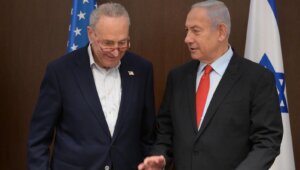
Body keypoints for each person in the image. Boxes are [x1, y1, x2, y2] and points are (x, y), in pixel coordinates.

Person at [138, 1, 283, 170]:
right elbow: (165, 133)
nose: (187, 39)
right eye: (187, 30)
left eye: (195, 31)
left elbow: (267, 141)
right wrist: (160, 158)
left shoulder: (257, 78)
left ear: (221, 32)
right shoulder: (177, 77)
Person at [28, 2, 156, 170]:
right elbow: (38, 140)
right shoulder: (60, 72)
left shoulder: (142, 69)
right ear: (91, 34)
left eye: (122, 43)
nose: (116, 52)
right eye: (108, 43)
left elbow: (148, 135)